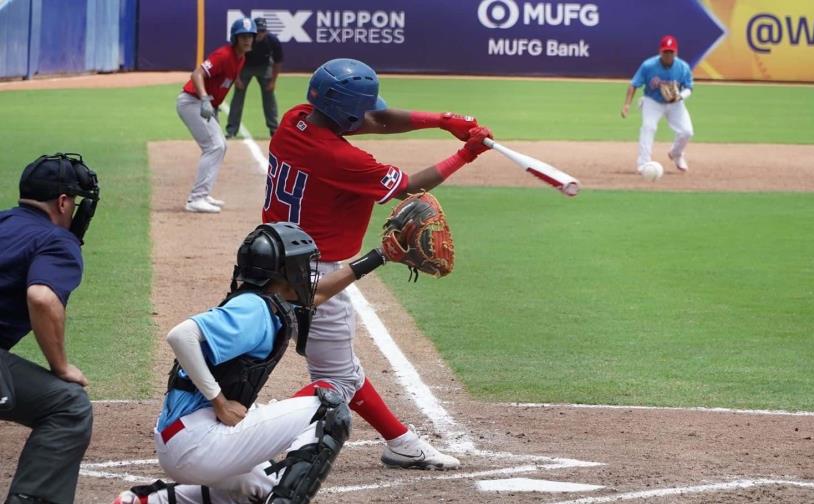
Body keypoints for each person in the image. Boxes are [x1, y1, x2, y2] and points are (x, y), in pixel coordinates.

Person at [263, 57, 493, 470]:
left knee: (343, 369)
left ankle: (401, 442)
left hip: (270, 256)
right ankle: (250, 440)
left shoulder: (296, 119)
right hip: (315, 274)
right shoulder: (343, 159)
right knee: (334, 381)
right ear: (348, 115)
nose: (372, 116)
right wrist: (465, 154)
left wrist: (443, 120)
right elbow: (410, 188)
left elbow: (377, 120)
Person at [113, 222, 390, 504]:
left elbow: (317, 294)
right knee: (328, 409)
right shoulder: (254, 310)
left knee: (263, 489)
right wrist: (219, 401)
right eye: (302, 265)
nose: (308, 273)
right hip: (197, 441)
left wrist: (378, 256)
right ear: (284, 272)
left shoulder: (265, 299)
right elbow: (181, 335)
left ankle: (146, 501)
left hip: (184, 439)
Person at [0, 153, 100, 504]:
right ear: (61, 202)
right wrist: (61, 366)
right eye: (73, 202)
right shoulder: (57, 240)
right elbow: (42, 298)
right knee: (69, 406)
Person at [177, 17, 256, 214]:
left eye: (250, 36)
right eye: (243, 36)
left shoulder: (240, 58)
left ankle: (203, 194)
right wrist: (205, 99)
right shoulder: (223, 54)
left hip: (204, 104)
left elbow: (225, 79)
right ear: (235, 38)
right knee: (214, 146)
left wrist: (214, 102)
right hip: (192, 101)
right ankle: (196, 198)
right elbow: (196, 74)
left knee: (220, 146)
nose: (247, 40)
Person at [620, 34, 694, 173]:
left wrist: (680, 96)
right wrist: (627, 104)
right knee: (648, 127)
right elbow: (634, 84)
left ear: (675, 52)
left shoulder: (682, 67)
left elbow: (689, 87)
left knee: (687, 131)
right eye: (665, 51)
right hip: (652, 101)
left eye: (670, 52)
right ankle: (643, 164)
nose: (668, 55)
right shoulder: (648, 66)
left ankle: (676, 154)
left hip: (675, 103)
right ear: (660, 51)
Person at [225, 17, 284, 139]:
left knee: (269, 97)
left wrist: (273, 81)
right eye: (258, 31)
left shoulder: (272, 41)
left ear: (266, 31)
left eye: (263, 31)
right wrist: (236, 78)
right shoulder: (244, 40)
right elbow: (234, 58)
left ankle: (274, 129)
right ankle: (232, 130)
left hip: (264, 66)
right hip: (244, 66)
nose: (260, 34)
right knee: (238, 97)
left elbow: (277, 62)